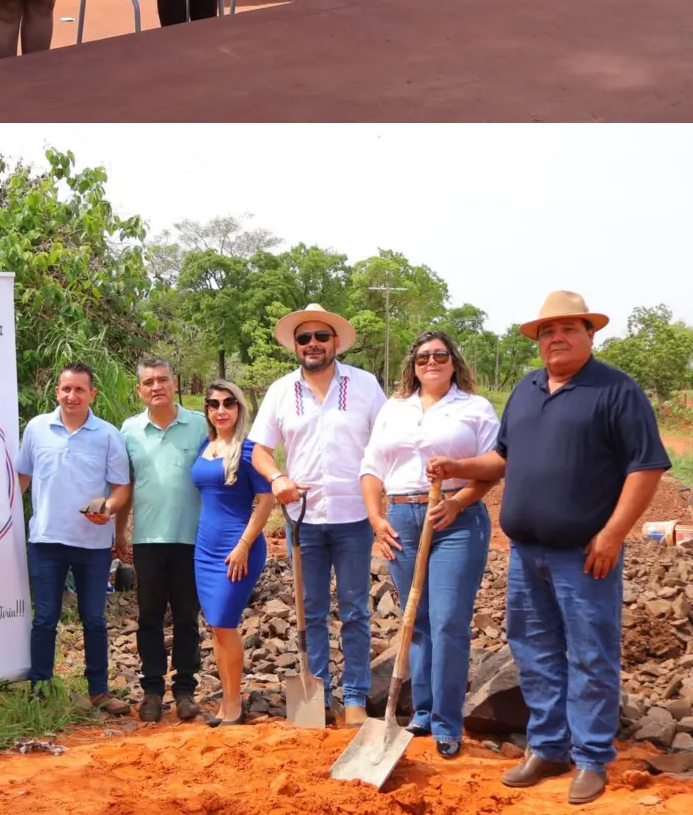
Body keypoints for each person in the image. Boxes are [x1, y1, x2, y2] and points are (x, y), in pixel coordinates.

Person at [427, 291, 671, 806]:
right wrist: (457, 466)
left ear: (589, 333)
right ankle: (548, 746)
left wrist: (613, 533)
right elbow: (502, 459)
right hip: (526, 553)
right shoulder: (528, 389)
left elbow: (645, 467)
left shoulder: (615, 390)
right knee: (534, 652)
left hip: (585, 554)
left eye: (567, 328)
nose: (556, 338)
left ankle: (591, 756)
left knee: (590, 653)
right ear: (538, 341)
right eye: (546, 331)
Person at [359, 331, 498, 758]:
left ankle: (446, 722)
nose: (431, 362)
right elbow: (372, 467)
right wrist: (376, 518)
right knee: (415, 620)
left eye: (440, 355)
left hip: (455, 518)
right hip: (402, 516)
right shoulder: (394, 408)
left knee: (449, 622)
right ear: (413, 364)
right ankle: (422, 711)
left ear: (454, 361)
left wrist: (457, 502)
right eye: (423, 357)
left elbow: (495, 464)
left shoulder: (474, 408)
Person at [248, 304, 387, 726]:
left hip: (353, 517)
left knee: (355, 609)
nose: (312, 345)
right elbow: (258, 451)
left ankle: (356, 697)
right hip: (301, 518)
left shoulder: (364, 386)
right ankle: (318, 694)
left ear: (336, 342)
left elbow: (385, 444)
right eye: (304, 338)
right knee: (310, 610)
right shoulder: (280, 391)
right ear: (296, 346)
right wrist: (278, 478)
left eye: (320, 337)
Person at [17, 363, 133, 715]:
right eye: (66, 389)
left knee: (94, 620)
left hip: (93, 543)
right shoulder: (37, 429)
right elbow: (21, 478)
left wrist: (109, 509)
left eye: (79, 390)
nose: (72, 396)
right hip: (46, 541)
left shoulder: (108, 435)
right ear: (57, 391)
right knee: (45, 619)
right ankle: (41, 689)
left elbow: (121, 487)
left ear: (91, 394)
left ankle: (98, 691)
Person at [116, 359, 209, 724]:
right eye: (148, 382)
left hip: (192, 537)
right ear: (139, 389)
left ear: (175, 383)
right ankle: (152, 691)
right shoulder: (129, 431)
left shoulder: (200, 426)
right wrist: (119, 532)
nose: (156, 386)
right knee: (150, 617)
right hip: (148, 539)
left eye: (163, 380)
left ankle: (185, 691)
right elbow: (125, 485)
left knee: (187, 617)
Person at [191, 379, 275, 727]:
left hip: (237, 548)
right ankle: (226, 703)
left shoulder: (250, 449)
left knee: (225, 622)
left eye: (228, 403)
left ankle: (234, 705)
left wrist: (243, 545)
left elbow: (267, 500)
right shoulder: (205, 445)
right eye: (213, 404)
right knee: (215, 626)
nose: (221, 410)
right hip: (205, 548)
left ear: (240, 407)